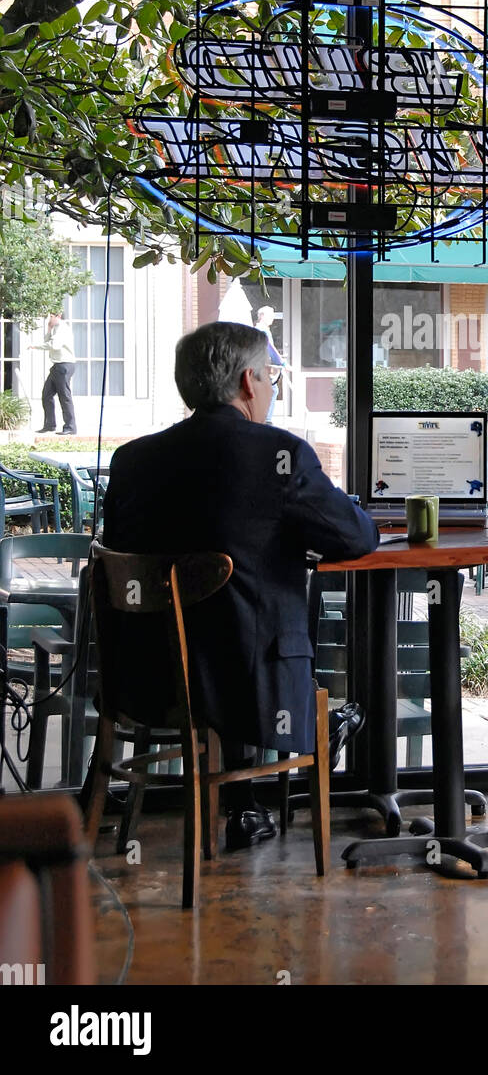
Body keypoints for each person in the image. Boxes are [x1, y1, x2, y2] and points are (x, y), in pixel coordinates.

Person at [101, 321, 379, 850]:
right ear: (249, 382)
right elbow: (357, 536)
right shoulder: (279, 454)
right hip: (251, 689)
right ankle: (318, 734)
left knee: (226, 618)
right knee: (248, 622)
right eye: (271, 377)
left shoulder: (132, 460)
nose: (273, 390)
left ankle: (246, 805)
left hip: (143, 680)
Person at [32, 310, 77, 435]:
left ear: (59, 316)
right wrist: (48, 328)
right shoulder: (55, 328)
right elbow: (47, 340)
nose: (49, 319)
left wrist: (36, 347)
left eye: (51, 316)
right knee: (46, 395)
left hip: (64, 365)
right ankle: (50, 425)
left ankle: (70, 427)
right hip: (57, 366)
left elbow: (54, 345)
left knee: (64, 396)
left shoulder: (62, 328)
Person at [255, 305, 283, 424]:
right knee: (273, 389)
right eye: (270, 315)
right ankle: (267, 419)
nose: (272, 318)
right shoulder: (263, 330)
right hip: (262, 365)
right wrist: (282, 363)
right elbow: (270, 348)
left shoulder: (258, 329)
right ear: (262, 316)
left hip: (259, 364)